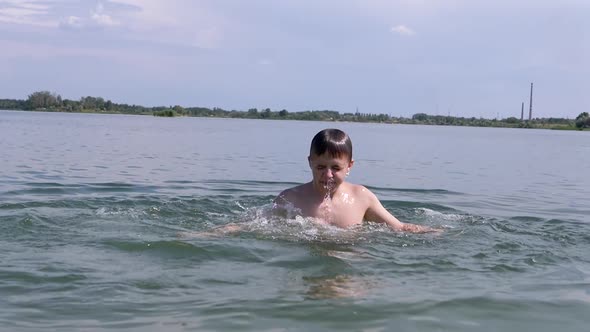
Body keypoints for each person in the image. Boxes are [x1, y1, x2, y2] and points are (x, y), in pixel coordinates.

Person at [273, 128, 436, 233]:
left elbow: (398, 227)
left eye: (336, 168)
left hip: (349, 260)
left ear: (349, 166)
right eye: (321, 167)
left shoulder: (362, 197)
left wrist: (433, 232)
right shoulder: (290, 198)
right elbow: (259, 226)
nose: (328, 174)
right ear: (310, 162)